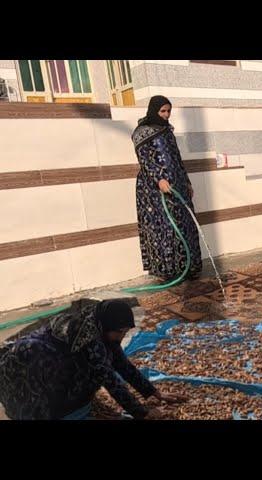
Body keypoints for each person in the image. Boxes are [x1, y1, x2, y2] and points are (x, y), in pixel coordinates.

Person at [0, 299, 184, 420]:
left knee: (93, 366)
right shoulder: (90, 340)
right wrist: (142, 413)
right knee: (45, 407)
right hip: (29, 367)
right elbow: (109, 379)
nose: (122, 337)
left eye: (125, 333)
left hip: (45, 360)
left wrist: (152, 392)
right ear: (107, 326)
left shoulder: (99, 321)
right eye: (120, 332)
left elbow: (121, 363)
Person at [131, 95, 202, 281]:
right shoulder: (142, 132)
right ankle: (168, 270)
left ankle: (188, 267)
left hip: (177, 185)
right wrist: (158, 180)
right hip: (154, 191)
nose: (166, 115)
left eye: (168, 111)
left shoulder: (167, 131)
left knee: (184, 225)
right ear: (154, 110)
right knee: (164, 228)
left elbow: (177, 158)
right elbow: (145, 160)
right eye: (163, 111)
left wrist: (186, 181)